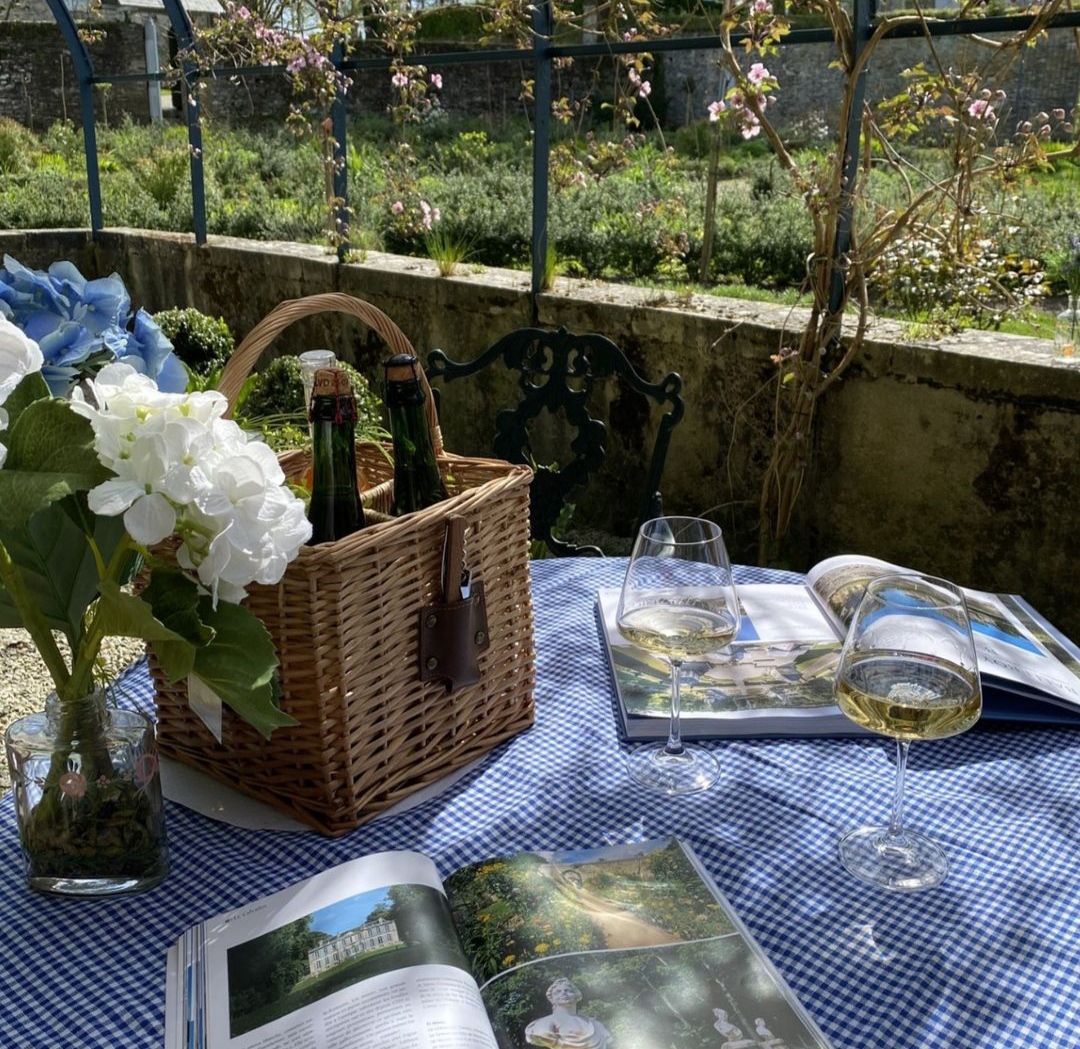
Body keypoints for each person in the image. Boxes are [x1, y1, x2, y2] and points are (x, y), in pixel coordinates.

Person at [525, 977, 613, 1048]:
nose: (563, 993)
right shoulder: (544, 1023)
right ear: (552, 999)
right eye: (558, 992)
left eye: (568, 990)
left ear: (576, 996)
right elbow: (541, 1035)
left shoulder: (595, 1024)